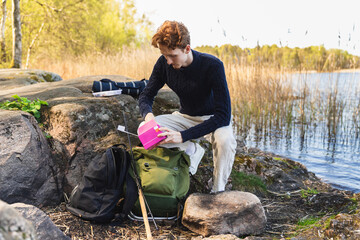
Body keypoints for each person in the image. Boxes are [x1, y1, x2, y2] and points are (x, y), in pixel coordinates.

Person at [138, 20, 237, 193]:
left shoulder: (213, 66)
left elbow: (223, 116)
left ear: (187, 49)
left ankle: (218, 190)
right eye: (164, 55)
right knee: (145, 130)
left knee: (225, 140)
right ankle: (191, 150)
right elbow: (146, 96)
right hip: (184, 117)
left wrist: (183, 136)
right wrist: (149, 118)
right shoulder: (163, 64)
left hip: (213, 119)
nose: (168, 61)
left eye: (172, 56)